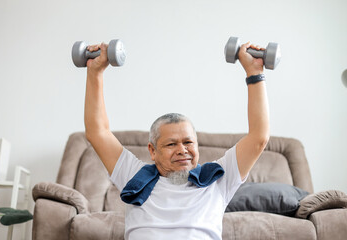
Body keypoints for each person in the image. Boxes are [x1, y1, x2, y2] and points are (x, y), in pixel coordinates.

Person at [84, 41, 269, 240]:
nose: (182, 150)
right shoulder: (134, 176)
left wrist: (254, 73)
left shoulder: (218, 179)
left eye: (188, 142)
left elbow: (259, 137)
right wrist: (95, 73)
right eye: (171, 144)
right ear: (152, 151)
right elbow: (98, 132)